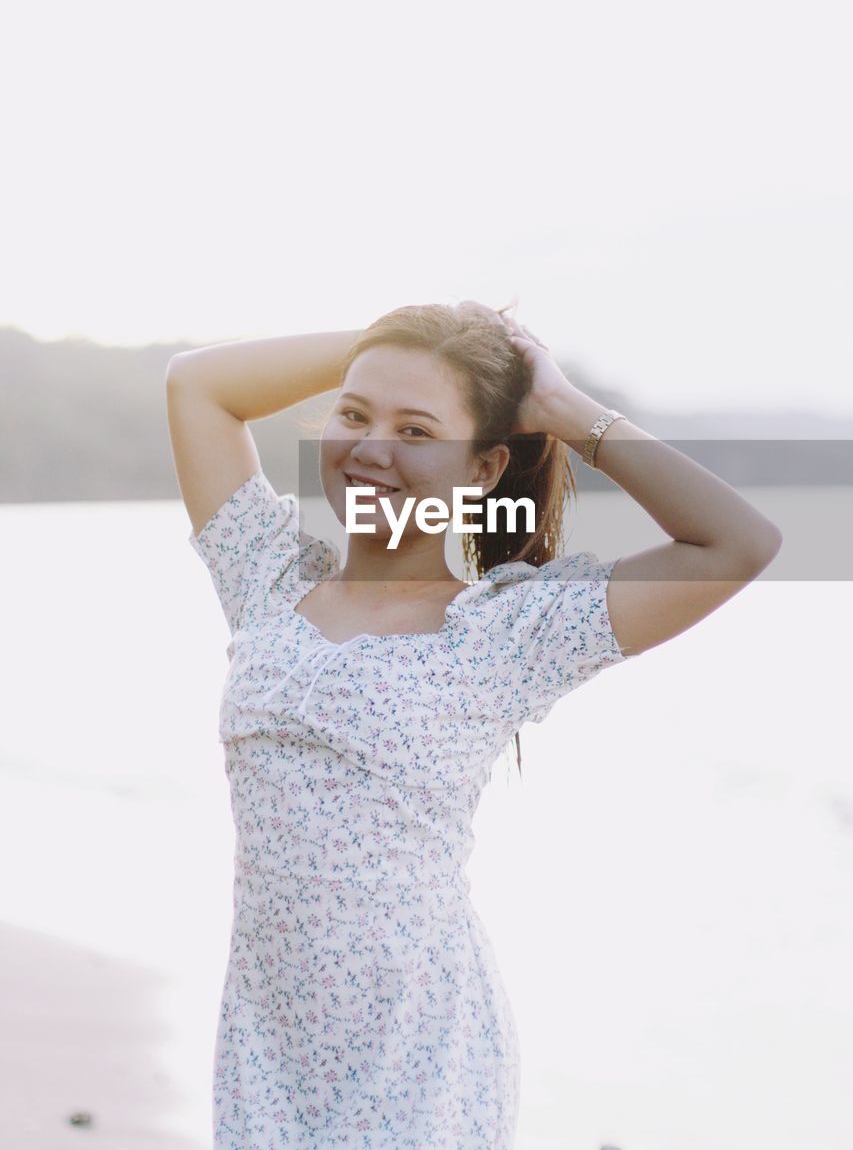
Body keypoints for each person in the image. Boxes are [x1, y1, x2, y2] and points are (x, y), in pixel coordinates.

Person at [166, 300, 782, 1148]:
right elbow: (197, 385)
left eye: (417, 430)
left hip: (419, 1059)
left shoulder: (509, 631)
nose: (372, 449)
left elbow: (735, 544)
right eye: (354, 415)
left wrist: (564, 408)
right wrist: (399, 347)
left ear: (485, 467)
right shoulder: (267, 581)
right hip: (270, 1048)